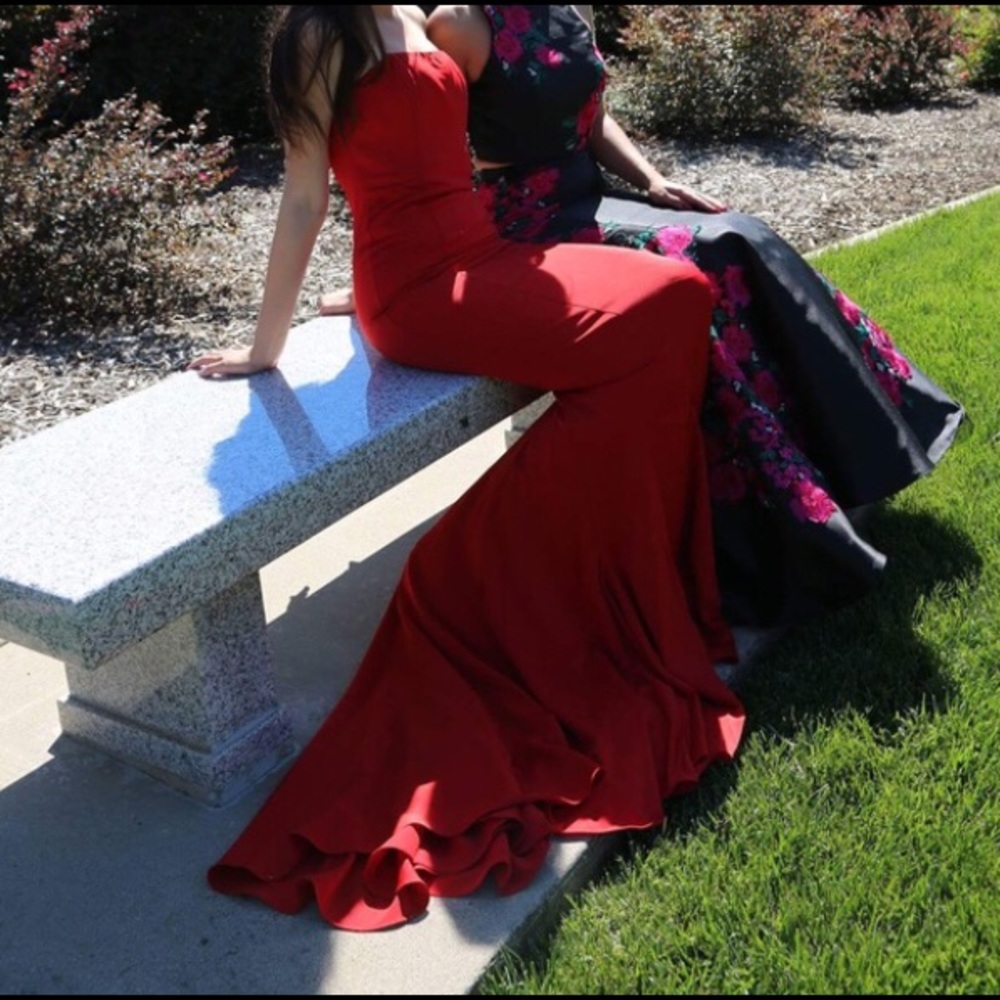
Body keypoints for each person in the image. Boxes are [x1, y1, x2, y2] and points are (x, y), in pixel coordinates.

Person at [191, 5, 744, 932]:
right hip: (418, 290)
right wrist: (267, 344)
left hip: (484, 251)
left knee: (683, 292)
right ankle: (465, 575)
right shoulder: (319, 36)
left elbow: (457, 148)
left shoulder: (414, 13)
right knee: (658, 317)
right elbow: (304, 196)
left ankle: (602, 573)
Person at [321, 4, 966, 628]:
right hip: (524, 227)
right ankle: (756, 530)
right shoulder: (457, 24)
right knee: (702, 264)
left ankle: (853, 451)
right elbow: (422, 156)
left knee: (740, 236)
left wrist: (654, 181)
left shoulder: (570, 9)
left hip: (587, 196)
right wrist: (422, 262)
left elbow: (594, 120)